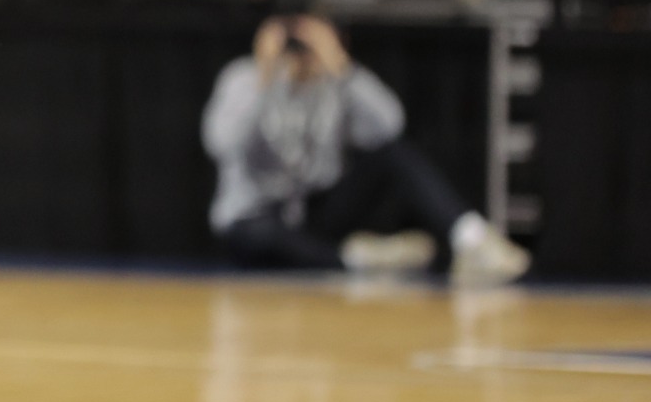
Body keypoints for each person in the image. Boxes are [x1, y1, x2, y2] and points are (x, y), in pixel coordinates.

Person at [203, 15, 531, 284]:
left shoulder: (337, 82)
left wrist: (341, 67)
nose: (302, 53)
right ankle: (358, 259)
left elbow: (391, 126)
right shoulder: (243, 78)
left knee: (396, 155)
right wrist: (264, 77)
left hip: (318, 212)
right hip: (257, 216)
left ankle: (471, 239)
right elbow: (219, 142)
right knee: (260, 235)